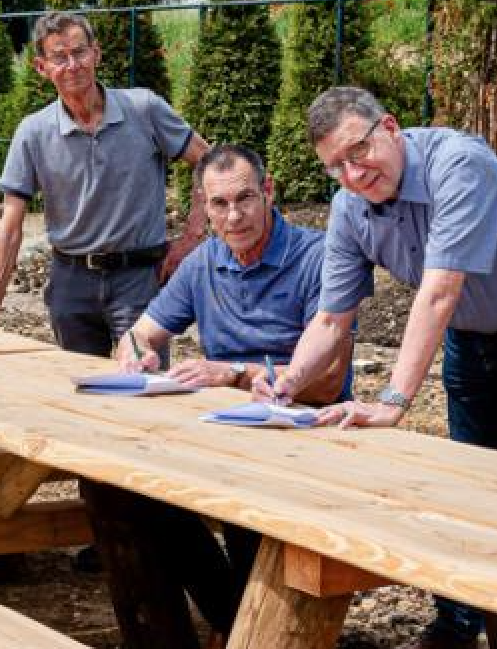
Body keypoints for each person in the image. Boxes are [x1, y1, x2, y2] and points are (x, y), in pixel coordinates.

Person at [257, 86, 497, 649]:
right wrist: (287, 381)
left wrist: (393, 400)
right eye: (335, 166)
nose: (352, 174)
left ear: (389, 127)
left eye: (358, 152)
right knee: (465, 481)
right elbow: (331, 318)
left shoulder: (459, 164)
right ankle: (460, 626)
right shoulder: (349, 208)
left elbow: (438, 292)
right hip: (470, 327)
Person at [96, 143, 350, 649]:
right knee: (122, 489)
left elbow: (327, 380)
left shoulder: (317, 256)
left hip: (310, 429)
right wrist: (133, 353)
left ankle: (245, 625)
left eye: (245, 199)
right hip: (229, 426)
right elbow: (141, 332)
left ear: (269, 192)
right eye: (219, 205)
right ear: (203, 207)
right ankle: (229, 622)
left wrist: (235, 372)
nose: (233, 216)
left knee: (246, 507)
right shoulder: (204, 261)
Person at [0, 10, 208, 355]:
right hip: (71, 284)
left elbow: (209, 161)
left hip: (139, 279)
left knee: (144, 385)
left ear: (95, 54)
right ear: (42, 68)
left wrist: (191, 237)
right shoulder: (33, 133)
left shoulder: (144, 109)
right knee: (81, 388)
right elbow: (10, 227)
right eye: (59, 57)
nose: (73, 65)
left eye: (80, 52)